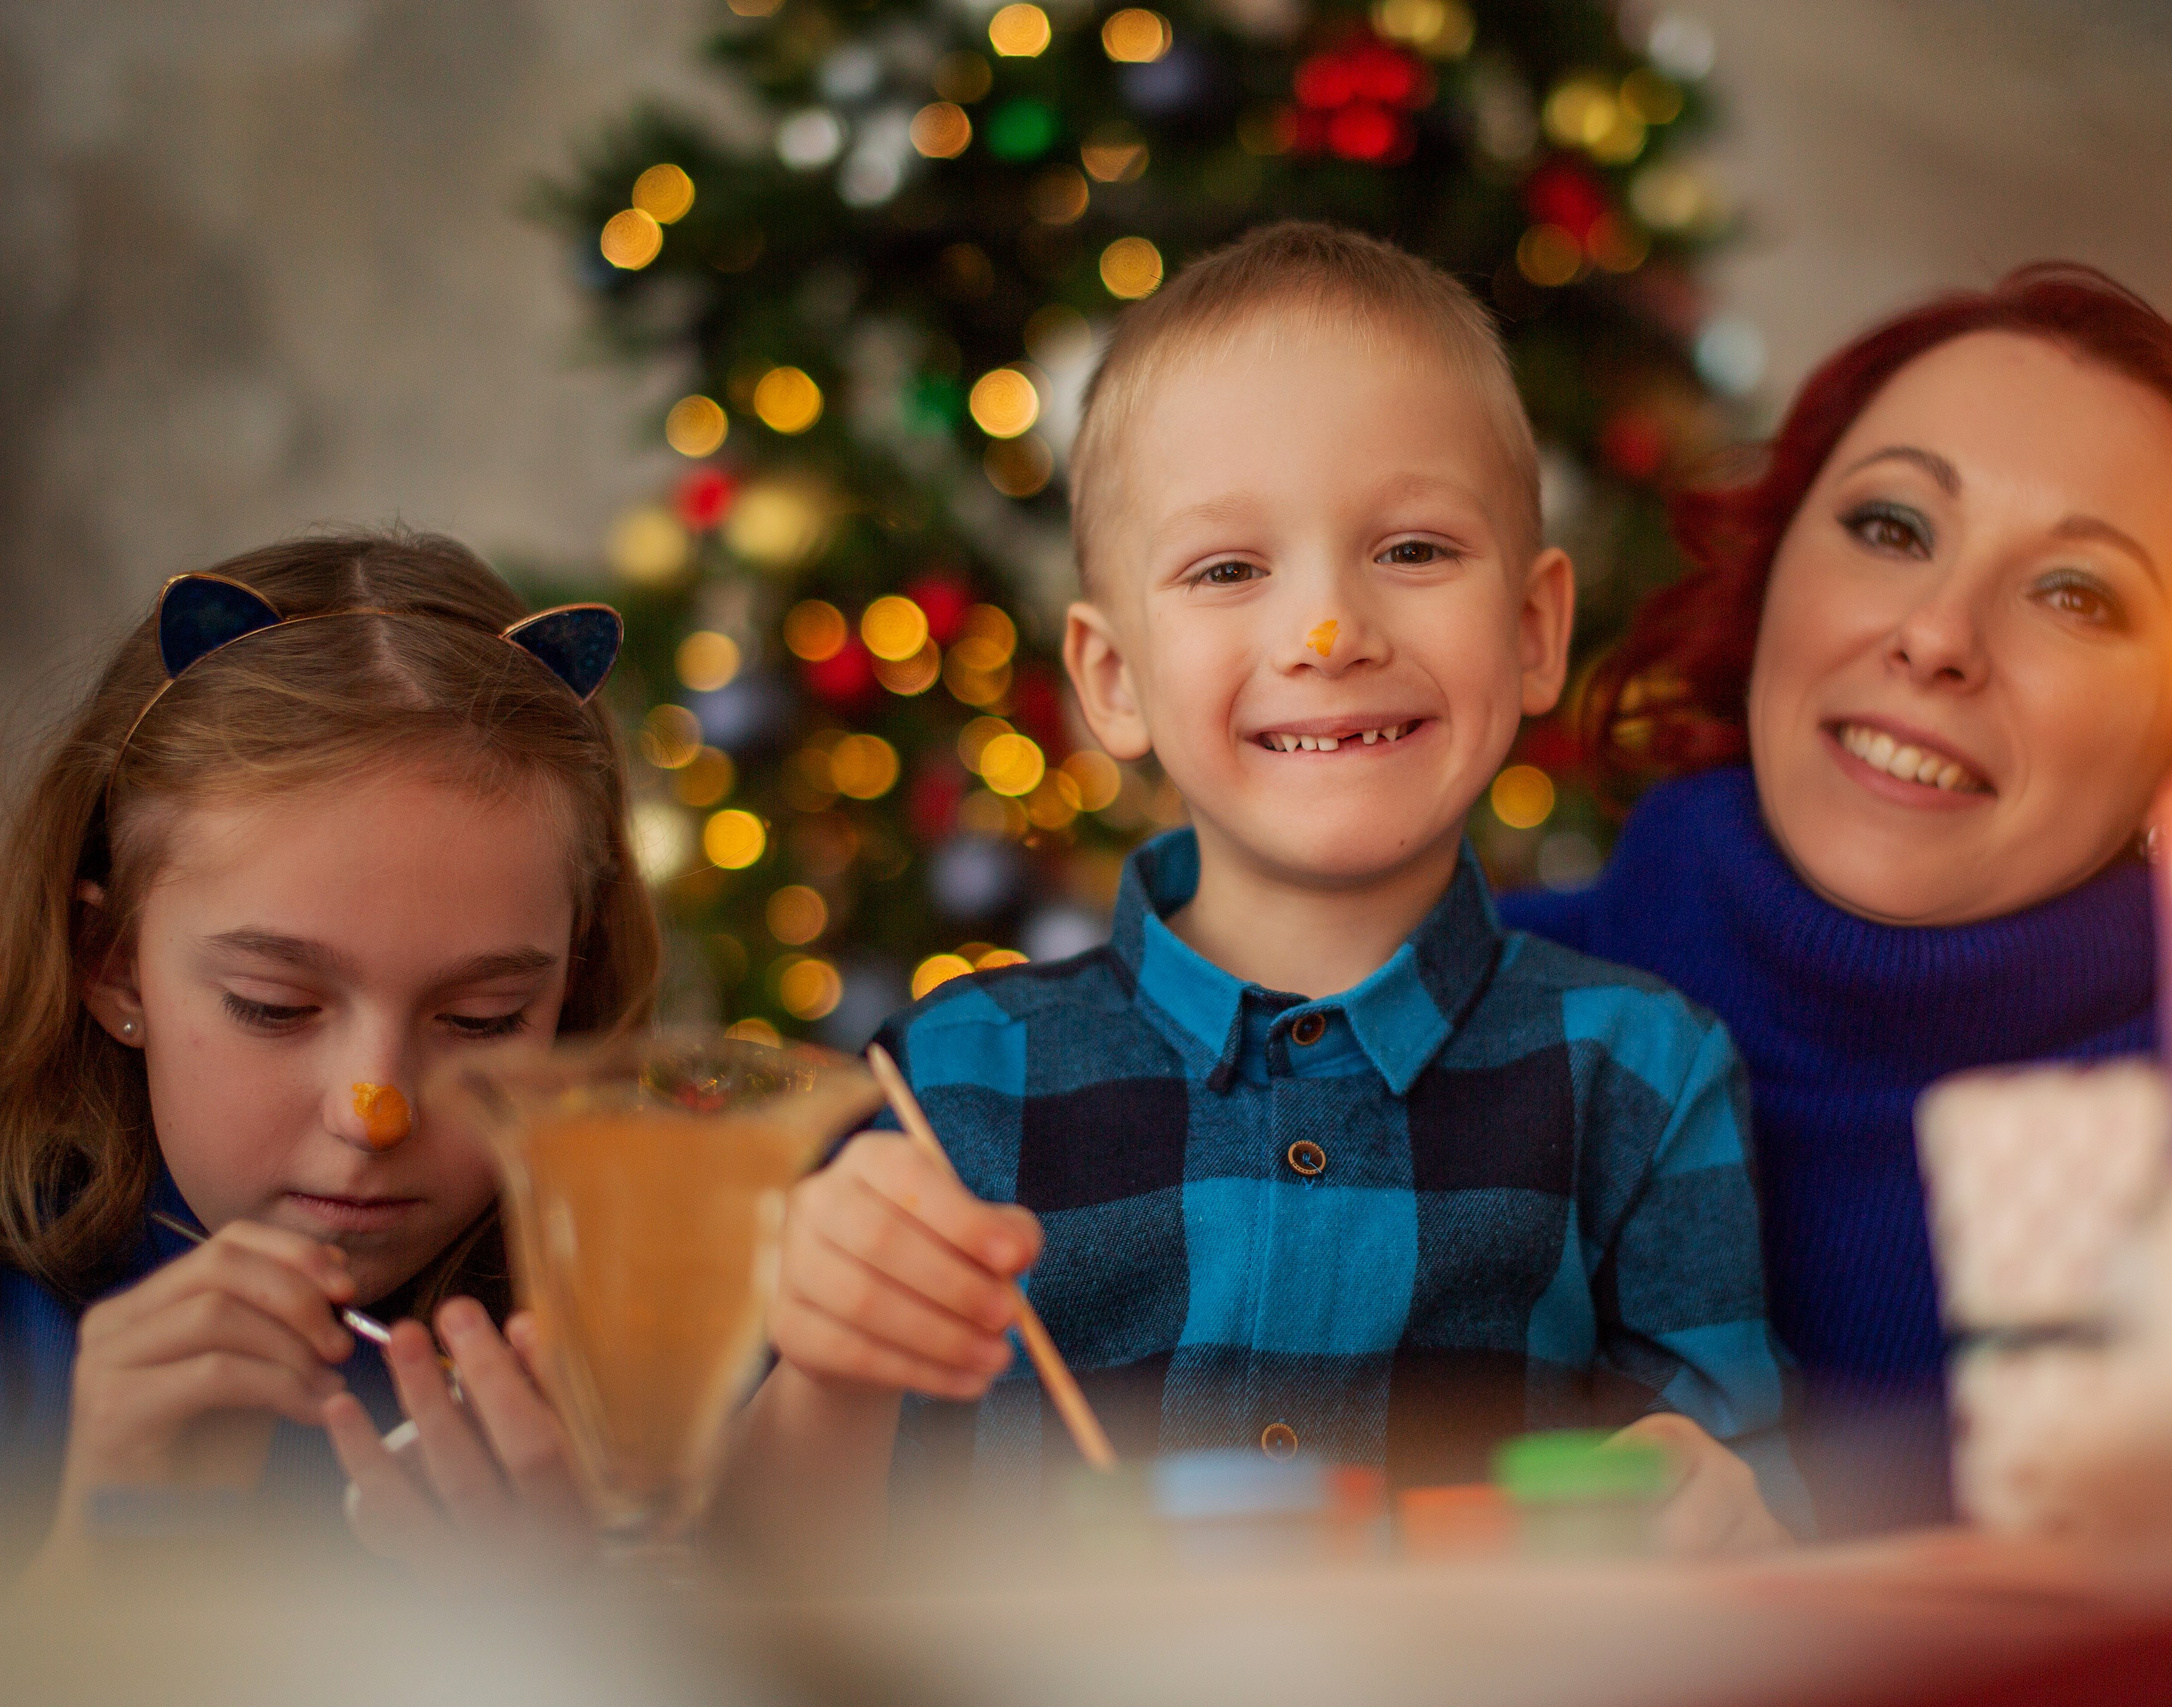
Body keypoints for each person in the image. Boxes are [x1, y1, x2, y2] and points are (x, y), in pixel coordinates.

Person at [722, 223, 1805, 1561]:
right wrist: (829, 1374)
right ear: (1113, 678)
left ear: (1534, 630)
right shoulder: (944, 1084)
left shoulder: (1644, 1074)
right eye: (1229, 569)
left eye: (1412, 549)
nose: (1326, 633)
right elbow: (761, 1575)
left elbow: (1752, 1546)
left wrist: (1716, 1516)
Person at [1502, 265, 2172, 1535]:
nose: (1938, 635)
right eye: (1893, 528)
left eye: (2076, 594)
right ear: (1768, 580)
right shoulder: (1419, 1013)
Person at [0, 531, 657, 1579]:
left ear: (567, 992)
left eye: (483, 1017)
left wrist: (592, 1625)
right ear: (114, 967)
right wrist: (90, 1578)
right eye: (273, 1006)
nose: (373, 1110)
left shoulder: (651, 1321)